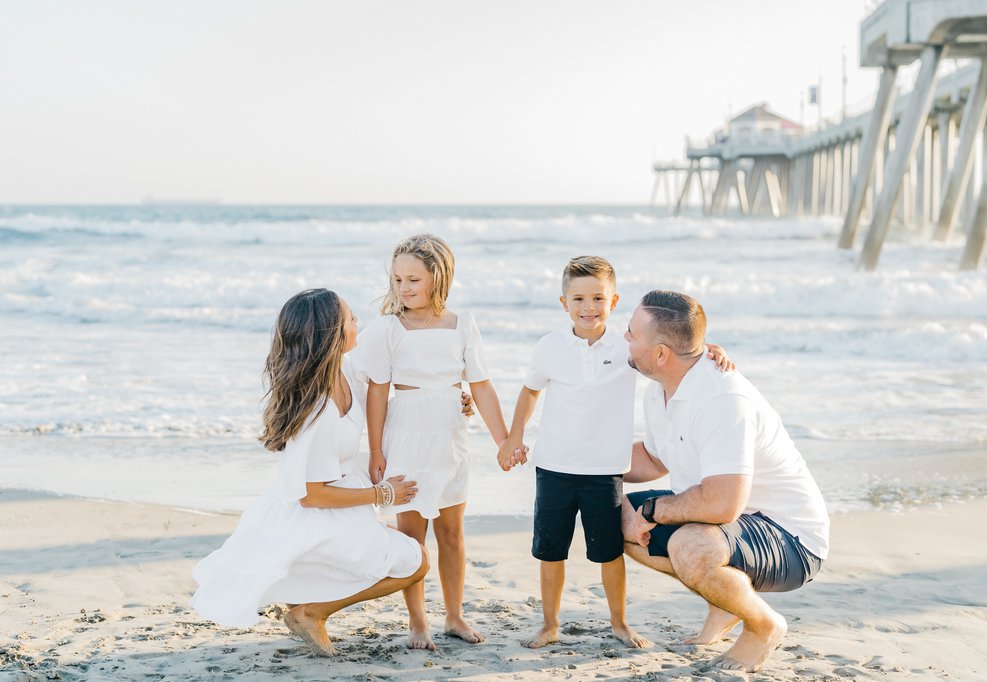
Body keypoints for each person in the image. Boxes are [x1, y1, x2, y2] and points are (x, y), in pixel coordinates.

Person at [498, 257, 733, 650]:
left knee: (609, 554)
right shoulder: (549, 347)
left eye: (597, 298)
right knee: (550, 552)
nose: (588, 307)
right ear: (563, 303)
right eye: (578, 299)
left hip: (605, 471)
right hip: (553, 467)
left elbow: (670, 351)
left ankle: (620, 623)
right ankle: (549, 624)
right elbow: (529, 391)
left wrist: (710, 349)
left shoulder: (627, 350)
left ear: (614, 300)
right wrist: (513, 437)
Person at [191, 288, 429, 657]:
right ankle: (311, 613)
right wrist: (384, 495)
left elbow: (387, 395)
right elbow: (311, 494)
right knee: (416, 561)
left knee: (389, 551)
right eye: (351, 320)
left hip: (339, 507)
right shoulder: (316, 410)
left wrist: (447, 402)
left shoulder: (345, 368)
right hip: (319, 510)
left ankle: (302, 607)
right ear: (332, 335)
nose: (357, 324)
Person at [622, 290, 829, 674]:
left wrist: (652, 510)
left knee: (690, 545)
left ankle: (763, 625)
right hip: (730, 524)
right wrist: (578, 460)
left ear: (662, 353)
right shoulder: (662, 390)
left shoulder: (721, 399)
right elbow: (653, 459)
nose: (625, 339)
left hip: (790, 536)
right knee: (612, 519)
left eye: (632, 333)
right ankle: (724, 602)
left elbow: (722, 504)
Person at [352, 233, 509, 651]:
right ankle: (418, 622)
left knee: (453, 533)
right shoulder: (389, 328)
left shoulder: (462, 325)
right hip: (405, 437)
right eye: (398, 279)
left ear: (438, 279)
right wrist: (374, 450)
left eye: (414, 280)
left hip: (450, 438)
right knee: (411, 538)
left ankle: (454, 616)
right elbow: (376, 393)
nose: (404, 288)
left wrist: (503, 440)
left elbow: (481, 386)